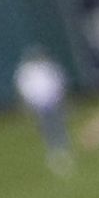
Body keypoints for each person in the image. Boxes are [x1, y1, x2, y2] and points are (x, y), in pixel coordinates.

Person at [15, 47, 74, 177]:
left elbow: (59, 82)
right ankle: (54, 152)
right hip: (39, 103)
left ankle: (63, 149)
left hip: (52, 100)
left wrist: (62, 99)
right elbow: (24, 90)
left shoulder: (48, 67)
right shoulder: (26, 72)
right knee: (47, 128)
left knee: (59, 125)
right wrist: (28, 105)